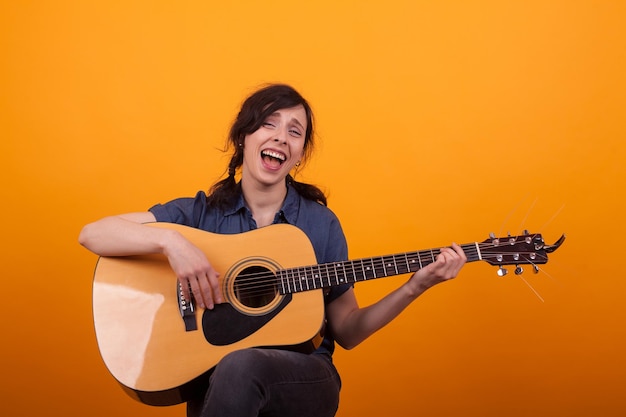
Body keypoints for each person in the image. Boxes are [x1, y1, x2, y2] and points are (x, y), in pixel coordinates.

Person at [79, 83, 467, 417]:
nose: (281, 136)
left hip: (305, 376)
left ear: (298, 155)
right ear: (243, 137)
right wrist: (172, 242)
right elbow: (93, 234)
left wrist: (415, 287)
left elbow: (347, 331)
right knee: (228, 373)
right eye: (269, 123)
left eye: (294, 132)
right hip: (216, 379)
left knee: (241, 365)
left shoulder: (319, 225)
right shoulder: (199, 214)